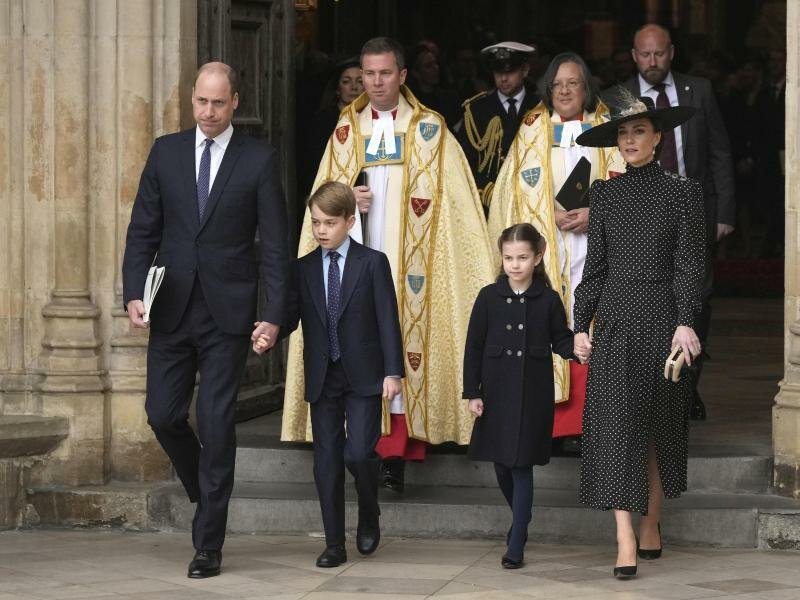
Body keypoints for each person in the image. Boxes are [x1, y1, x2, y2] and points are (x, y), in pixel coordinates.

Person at [281, 37, 494, 495]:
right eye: (368, 74)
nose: (375, 83)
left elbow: (457, 204)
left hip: (410, 264)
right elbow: (322, 199)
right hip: (354, 261)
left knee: (403, 345)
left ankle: (397, 456)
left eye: (384, 73)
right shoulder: (345, 129)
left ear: (402, 76)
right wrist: (346, 196)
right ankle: (365, 451)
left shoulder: (431, 130)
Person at [122, 62, 289, 578]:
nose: (209, 112)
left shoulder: (259, 160)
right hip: (171, 306)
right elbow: (142, 229)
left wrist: (274, 315)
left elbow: (276, 248)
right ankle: (204, 490)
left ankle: (208, 542)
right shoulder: (166, 151)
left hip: (227, 313)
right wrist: (133, 293)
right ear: (191, 100)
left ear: (236, 101)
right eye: (201, 102)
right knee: (163, 414)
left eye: (219, 103)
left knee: (216, 423)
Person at [572, 94, 704, 579]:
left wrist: (686, 320)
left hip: (666, 319)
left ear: (658, 138)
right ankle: (624, 539)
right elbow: (596, 269)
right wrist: (576, 327)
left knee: (655, 428)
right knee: (616, 429)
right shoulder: (604, 195)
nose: (630, 140)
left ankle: (651, 522)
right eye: (623, 134)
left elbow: (691, 264)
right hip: (615, 321)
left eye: (639, 132)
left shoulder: (683, 193)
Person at [254, 182, 403, 568]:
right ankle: (334, 543)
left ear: (350, 222)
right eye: (316, 222)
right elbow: (289, 316)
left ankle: (369, 511)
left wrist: (393, 372)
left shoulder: (372, 263)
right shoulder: (302, 268)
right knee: (326, 461)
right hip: (323, 375)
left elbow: (388, 320)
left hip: (365, 375)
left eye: (330, 223)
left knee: (358, 454)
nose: (321, 230)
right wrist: (270, 331)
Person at [488, 52, 626, 453]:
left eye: (573, 83)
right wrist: (543, 214)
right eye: (558, 85)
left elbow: (625, 187)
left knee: (592, 324)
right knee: (550, 321)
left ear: (587, 87)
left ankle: (588, 423)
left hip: (596, 248)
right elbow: (510, 191)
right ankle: (549, 423)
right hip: (548, 246)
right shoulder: (532, 128)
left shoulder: (606, 128)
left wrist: (595, 214)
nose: (565, 91)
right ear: (548, 90)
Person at [620, 23, 735, 420]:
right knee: (650, 302)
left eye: (660, 54)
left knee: (697, 300)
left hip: (694, 211)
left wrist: (724, 212)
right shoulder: (616, 98)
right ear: (634, 56)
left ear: (672, 52)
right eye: (645, 55)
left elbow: (719, 150)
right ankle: (653, 392)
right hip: (640, 218)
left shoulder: (698, 90)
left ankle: (688, 385)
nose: (653, 62)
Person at [463, 223, 577, 569]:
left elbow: (561, 340)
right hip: (496, 392)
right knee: (501, 465)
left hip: (532, 394)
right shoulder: (487, 297)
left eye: (523, 257)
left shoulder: (548, 299)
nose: (515, 264)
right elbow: (474, 347)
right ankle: (522, 520)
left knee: (521, 464)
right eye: (509, 257)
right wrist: (472, 392)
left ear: (538, 256)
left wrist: (580, 347)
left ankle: (516, 543)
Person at [456, 42, 539, 214]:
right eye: (498, 72)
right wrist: (488, 193)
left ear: (525, 70)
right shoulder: (476, 110)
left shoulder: (541, 107)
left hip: (532, 200)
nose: (503, 78)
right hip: (489, 203)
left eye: (510, 72)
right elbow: (465, 162)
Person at [298, 57, 364, 201]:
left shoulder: (374, 120)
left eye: (360, 82)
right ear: (337, 89)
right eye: (346, 81)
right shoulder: (322, 122)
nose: (354, 87)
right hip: (329, 195)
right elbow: (312, 162)